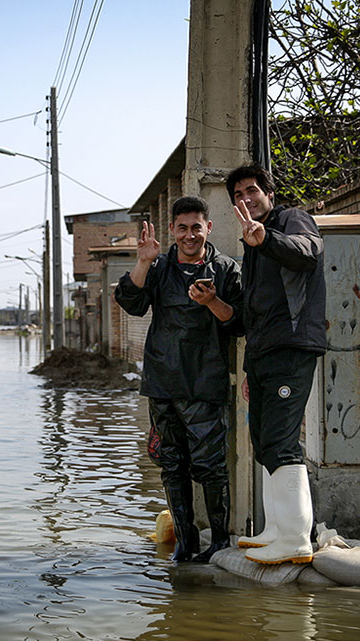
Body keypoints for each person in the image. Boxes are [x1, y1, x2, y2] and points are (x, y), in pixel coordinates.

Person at [115, 195, 243, 563]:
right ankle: (186, 543)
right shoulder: (159, 268)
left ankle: (219, 541)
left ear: (209, 228)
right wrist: (142, 260)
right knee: (171, 466)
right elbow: (131, 301)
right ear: (172, 230)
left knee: (211, 466)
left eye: (196, 228)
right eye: (182, 228)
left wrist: (212, 303)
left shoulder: (226, 269)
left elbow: (239, 322)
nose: (190, 235)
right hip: (162, 383)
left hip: (205, 383)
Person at [227, 164, 327, 565]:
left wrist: (265, 237)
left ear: (269, 192)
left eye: (252, 190)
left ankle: (298, 538)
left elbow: (307, 253)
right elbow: (252, 315)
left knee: (283, 441)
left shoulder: (291, 220)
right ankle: (278, 529)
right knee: (265, 441)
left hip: (292, 347)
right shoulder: (253, 247)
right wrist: (250, 369)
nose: (246, 199)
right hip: (265, 355)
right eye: (238, 195)